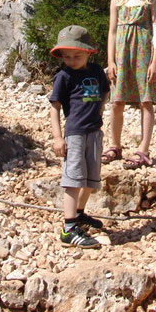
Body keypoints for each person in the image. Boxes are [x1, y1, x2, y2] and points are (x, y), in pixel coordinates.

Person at [49, 24, 111, 248]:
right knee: (73, 180)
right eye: (67, 56)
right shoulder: (63, 76)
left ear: (88, 52)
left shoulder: (95, 71)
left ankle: (80, 214)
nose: (72, 60)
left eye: (76, 55)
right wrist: (58, 138)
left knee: (90, 179)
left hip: (94, 132)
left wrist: (101, 109)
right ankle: (68, 228)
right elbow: (55, 107)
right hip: (74, 133)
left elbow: (105, 90)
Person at [104, 0, 156, 169]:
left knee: (145, 100)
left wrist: (155, 61)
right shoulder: (117, 1)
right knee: (117, 101)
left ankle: (144, 149)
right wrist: (110, 61)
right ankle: (114, 145)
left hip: (143, 55)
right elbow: (111, 32)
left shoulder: (151, 0)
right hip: (121, 55)